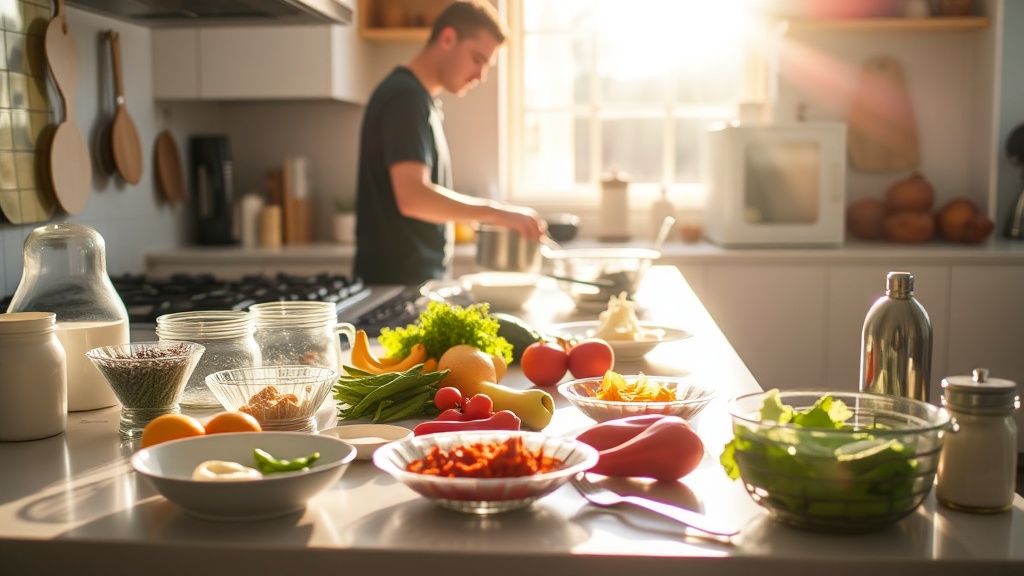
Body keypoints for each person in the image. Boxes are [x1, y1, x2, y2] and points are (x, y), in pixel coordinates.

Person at [353, 0, 547, 285]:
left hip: (407, 283)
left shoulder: (419, 100)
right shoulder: (404, 98)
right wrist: (497, 214)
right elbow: (412, 197)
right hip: (396, 285)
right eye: (477, 59)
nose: (480, 75)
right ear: (447, 39)